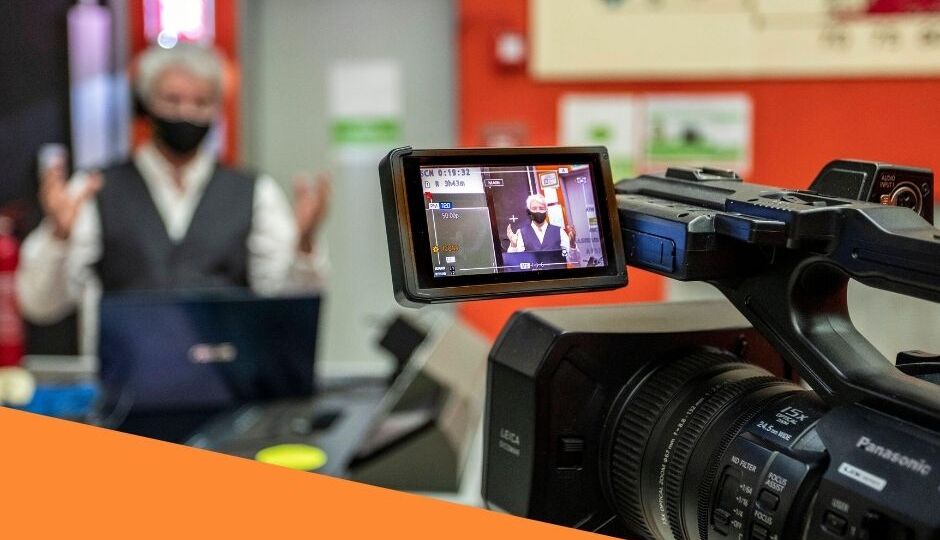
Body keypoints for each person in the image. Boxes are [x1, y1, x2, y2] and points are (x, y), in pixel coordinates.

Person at [16, 43, 330, 330]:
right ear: (147, 104)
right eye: (173, 99)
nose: (186, 113)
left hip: (227, 379)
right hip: (128, 380)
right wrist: (59, 236)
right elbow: (39, 304)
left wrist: (303, 245)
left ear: (217, 109)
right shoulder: (95, 188)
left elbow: (288, 305)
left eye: (201, 102)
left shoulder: (255, 191)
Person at [505, 194, 577, 263]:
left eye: (541, 208)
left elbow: (574, 261)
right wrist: (513, 245)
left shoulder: (559, 231)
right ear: (529, 212)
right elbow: (513, 262)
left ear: (546, 211)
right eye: (534, 208)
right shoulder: (521, 233)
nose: (538, 211)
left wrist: (572, 245)